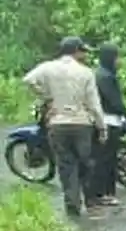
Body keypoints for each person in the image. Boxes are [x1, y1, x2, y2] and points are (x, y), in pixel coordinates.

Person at [22, 37, 108, 217]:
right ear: (76, 51)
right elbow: (93, 103)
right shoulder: (85, 72)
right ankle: (90, 202)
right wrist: (102, 127)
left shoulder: (47, 67)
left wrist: (46, 96)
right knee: (85, 162)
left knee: (66, 165)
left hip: (57, 123)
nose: (84, 54)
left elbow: (28, 80)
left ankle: (72, 205)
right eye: (82, 51)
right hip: (81, 123)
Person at [90, 43, 126, 207]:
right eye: (117, 57)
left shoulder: (100, 74)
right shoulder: (105, 77)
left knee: (103, 158)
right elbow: (114, 101)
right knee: (107, 159)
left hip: (103, 119)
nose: (119, 61)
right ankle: (104, 193)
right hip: (108, 121)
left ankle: (100, 192)